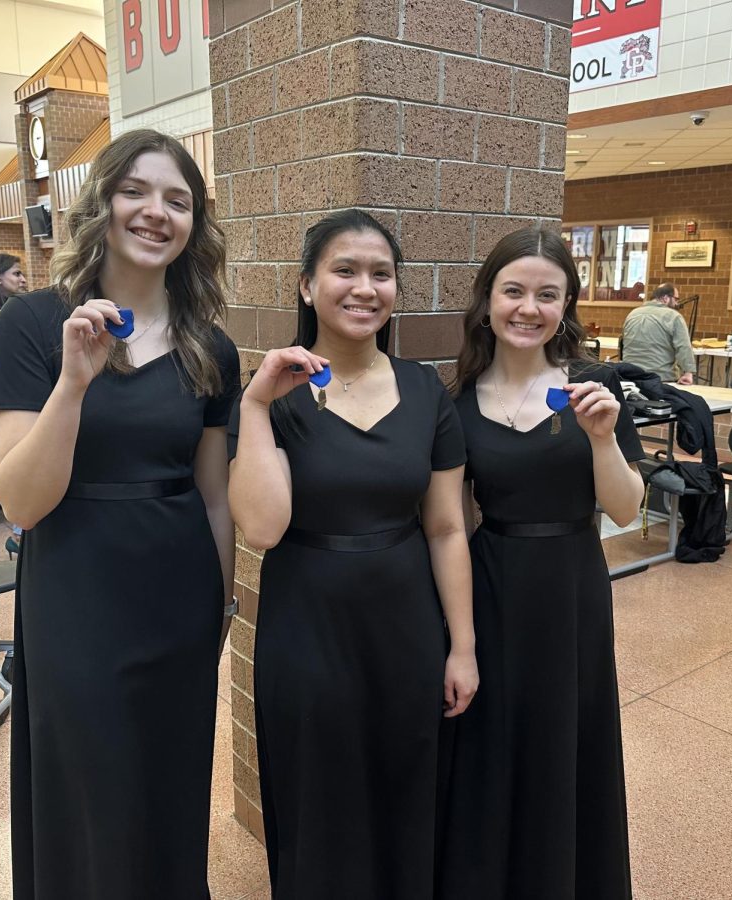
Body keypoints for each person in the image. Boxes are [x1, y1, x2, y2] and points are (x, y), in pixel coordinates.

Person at [0, 129, 240, 898]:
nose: (156, 212)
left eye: (178, 199)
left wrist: (222, 604)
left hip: (180, 594)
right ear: (103, 202)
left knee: (169, 783)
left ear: (195, 223)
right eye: (137, 191)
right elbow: (20, 499)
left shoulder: (209, 348)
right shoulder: (36, 324)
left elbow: (216, 494)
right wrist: (73, 383)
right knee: (88, 790)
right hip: (77, 591)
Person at [227, 209, 478, 899]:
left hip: (405, 624)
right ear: (306, 286)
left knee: (406, 787)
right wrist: (253, 407)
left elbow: (447, 528)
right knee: (320, 797)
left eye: (381, 274)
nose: (364, 288)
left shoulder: (426, 392)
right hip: (306, 624)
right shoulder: (271, 395)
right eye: (345, 270)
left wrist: (462, 646)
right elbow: (262, 527)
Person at [437, 227, 643, 899]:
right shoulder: (459, 402)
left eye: (547, 296)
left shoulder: (593, 387)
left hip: (571, 586)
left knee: (566, 736)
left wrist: (603, 440)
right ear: (488, 300)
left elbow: (626, 509)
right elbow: (450, 522)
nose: (529, 309)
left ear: (567, 306)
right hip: (493, 581)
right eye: (514, 292)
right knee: (494, 743)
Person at [620, 282, 696, 384]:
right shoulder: (673, 316)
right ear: (665, 298)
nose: (677, 303)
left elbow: (623, 343)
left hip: (630, 377)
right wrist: (688, 373)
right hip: (661, 378)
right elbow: (683, 347)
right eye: (676, 299)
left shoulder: (632, 314)